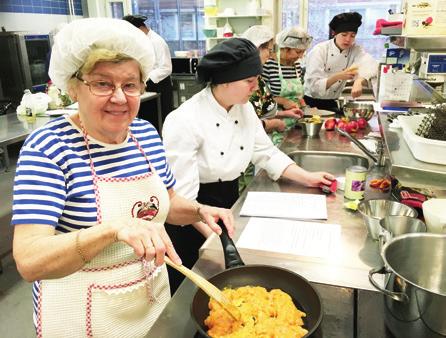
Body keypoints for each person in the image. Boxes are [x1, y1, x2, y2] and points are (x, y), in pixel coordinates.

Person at [11, 18, 233, 337]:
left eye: (130, 85)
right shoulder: (49, 147)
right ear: (73, 86)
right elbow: (30, 260)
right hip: (81, 315)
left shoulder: (144, 133)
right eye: (102, 83)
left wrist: (200, 210)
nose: (119, 97)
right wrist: (113, 230)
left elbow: (166, 203)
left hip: (149, 304)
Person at [162, 38, 334, 293]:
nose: (256, 87)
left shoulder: (244, 108)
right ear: (225, 80)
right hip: (192, 215)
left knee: (231, 286)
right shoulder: (184, 120)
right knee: (195, 289)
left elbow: (265, 152)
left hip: (228, 201)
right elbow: (182, 200)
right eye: (249, 81)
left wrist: (308, 178)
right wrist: (217, 238)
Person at [304, 12, 378, 113]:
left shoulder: (355, 49)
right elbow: (314, 87)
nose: (348, 39)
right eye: (344, 35)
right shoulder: (320, 50)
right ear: (335, 33)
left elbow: (369, 63)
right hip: (312, 103)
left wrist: (359, 81)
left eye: (352, 36)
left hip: (333, 102)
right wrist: (338, 76)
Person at [261, 27, 312, 144]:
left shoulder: (297, 66)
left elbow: (298, 93)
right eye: (298, 52)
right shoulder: (268, 65)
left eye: (303, 52)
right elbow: (261, 97)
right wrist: (283, 101)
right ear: (284, 48)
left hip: (295, 120)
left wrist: (303, 103)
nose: (300, 56)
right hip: (275, 121)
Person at [123, 14, 174, 126]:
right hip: (146, 83)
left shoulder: (157, 41)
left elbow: (166, 68)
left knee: (161, 118)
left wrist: (146, 78)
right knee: (148, 116)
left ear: (141, 28)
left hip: (159, 85)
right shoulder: (141, 41)